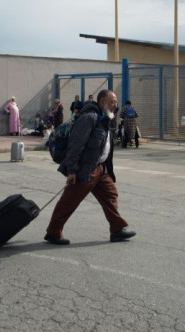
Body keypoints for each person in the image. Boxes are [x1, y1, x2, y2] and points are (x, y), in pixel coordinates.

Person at [44, 89, 136, 245]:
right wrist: (72, 170)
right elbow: (76, 144)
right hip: (85, 168)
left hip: (100, 168)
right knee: (69, 201)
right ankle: (53, 232)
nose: (115, 105)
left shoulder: (105, 118)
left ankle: (117, 229)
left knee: (110, 195)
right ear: (102, 102)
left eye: (116, 102)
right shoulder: (89, 118)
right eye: (112, 102)